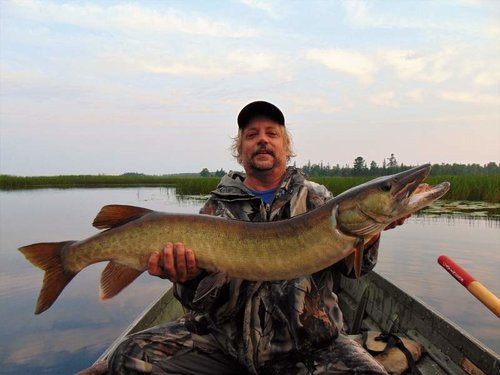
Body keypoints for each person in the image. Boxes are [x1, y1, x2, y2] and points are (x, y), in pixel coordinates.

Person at [103, 101, 408, 375]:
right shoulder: (214, 209)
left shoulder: (318, 199)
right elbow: (195, 299)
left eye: (272, 133)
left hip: (309, 349)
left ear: (286, 147)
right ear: (240, 149)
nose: (262, 139)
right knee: (130, 356)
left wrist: (373, 231)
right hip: (225, 346)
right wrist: (186, 277)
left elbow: (355, 270)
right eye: (251, 134)